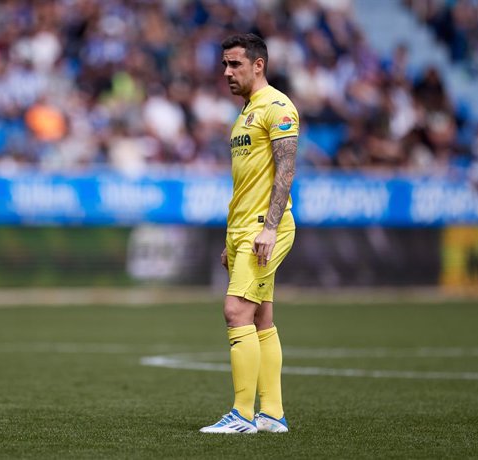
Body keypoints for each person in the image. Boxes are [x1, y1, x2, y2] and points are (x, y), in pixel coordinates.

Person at [200, 34, 298, 434]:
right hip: (243, 229)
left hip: (265, 228)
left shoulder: (277, 106)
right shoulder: (243, 114)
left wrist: (270, 228)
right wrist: (231, 240)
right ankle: (272, 414)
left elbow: (286, 170)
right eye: (224, 64)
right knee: (260, 318)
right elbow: (246, 182)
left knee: (235, 311)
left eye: (235, 64)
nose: (227, 72)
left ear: (258, 65)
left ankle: (242, 415)